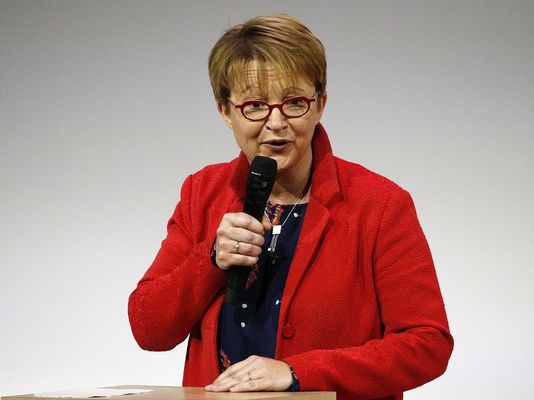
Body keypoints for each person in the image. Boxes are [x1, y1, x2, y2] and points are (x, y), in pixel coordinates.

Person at [128, 14, 453, 400]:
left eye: (294, 102)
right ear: (224, 111)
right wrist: (210, 259)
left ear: (320, 105)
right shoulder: (202, 192)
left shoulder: (379, 204)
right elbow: (149, 329)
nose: (277, 122)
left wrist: (299, 372)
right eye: (255, 105)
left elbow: (427, 344)